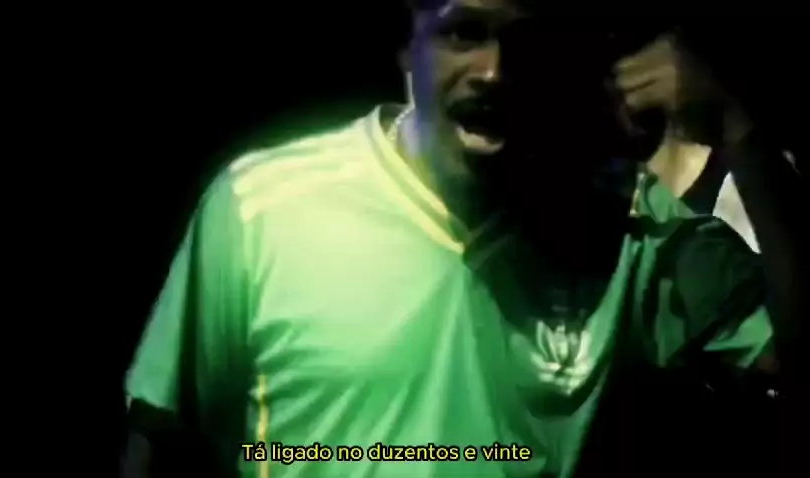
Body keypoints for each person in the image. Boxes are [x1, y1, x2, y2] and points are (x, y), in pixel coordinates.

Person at [121, 1, 804, 477]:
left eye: (524, 39)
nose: (494, 70)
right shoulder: (260, 206)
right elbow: (160, 444)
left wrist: (739, 126)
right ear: (407, 44)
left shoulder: (628, 223)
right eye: (462, 32)